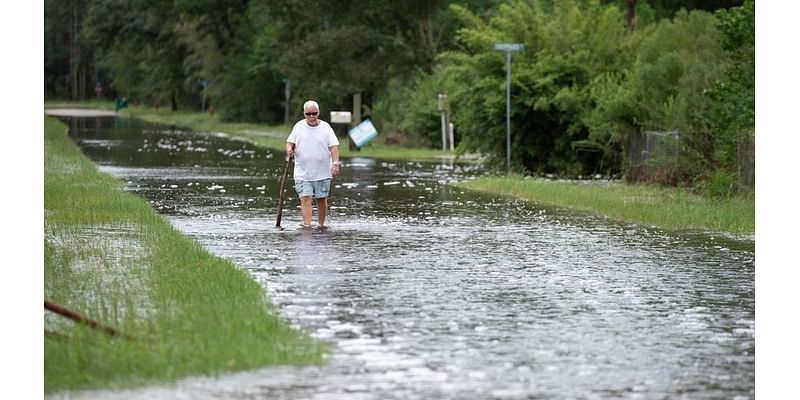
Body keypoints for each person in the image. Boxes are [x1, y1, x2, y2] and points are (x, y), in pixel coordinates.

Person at [286, 100, 341, 228]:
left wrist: (335, 164)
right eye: (308, 114)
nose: (311, 116)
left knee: (321, 199)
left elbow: (334, 147)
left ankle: (321, 225)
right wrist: (289, 149)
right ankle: (307, 226)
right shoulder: (298, 126)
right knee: (305, 198)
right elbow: (290, 142)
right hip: (302, 172)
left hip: (322, 172)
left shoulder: (326, 128)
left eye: (314, 113)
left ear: (318, 113)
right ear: (304, 114)